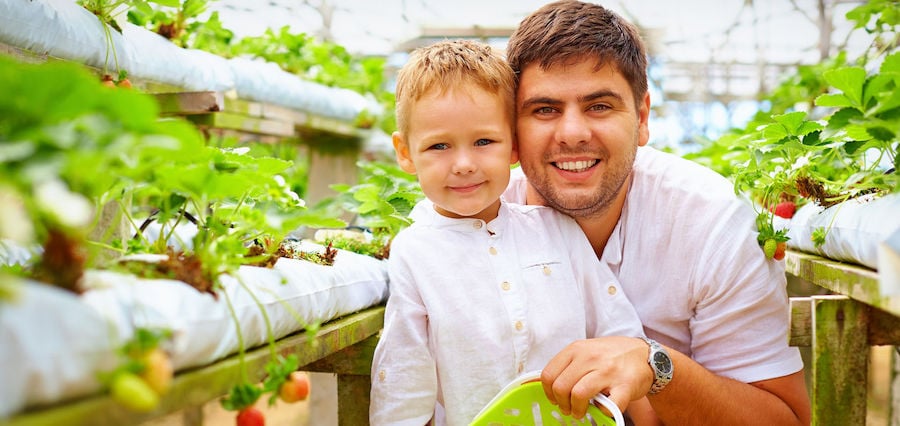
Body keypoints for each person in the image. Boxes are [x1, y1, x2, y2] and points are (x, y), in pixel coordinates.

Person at [503, 1, 812, 425]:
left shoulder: (712, 224)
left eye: (599, 106)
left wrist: (659, 369)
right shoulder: (468, 220)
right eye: (545, 109)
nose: (572, 133)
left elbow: (785, 419)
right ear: (511, 130)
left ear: (643, 118)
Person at [369, 39, 651, 425]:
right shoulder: (415, 252)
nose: (464, 164)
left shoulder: (555, 229)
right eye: (439, 146)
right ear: (405, 153)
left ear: (514, 145)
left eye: (484, 141)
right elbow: (405, 378)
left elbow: (618, 331)